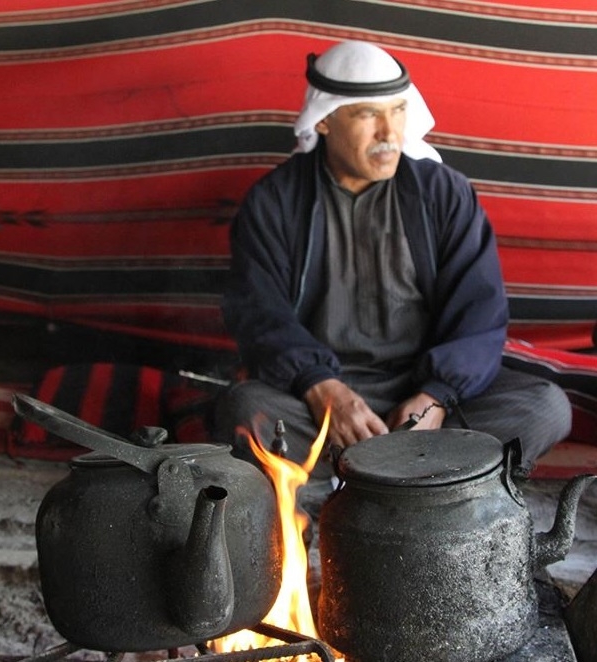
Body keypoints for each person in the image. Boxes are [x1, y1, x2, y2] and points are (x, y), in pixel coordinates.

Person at [212, 40, 571, 482]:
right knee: (246, 412)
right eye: (367, 115)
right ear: (323, 120)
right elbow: (259, 314)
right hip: (321, 397)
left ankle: (374, 473)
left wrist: (436, 396)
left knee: (546, 408)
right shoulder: (275, 202)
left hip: (420, 396)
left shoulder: (442, 193)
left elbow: (480, 313)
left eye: (398, 111)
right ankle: (422, 474)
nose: (389, 132)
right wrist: (320, 388)